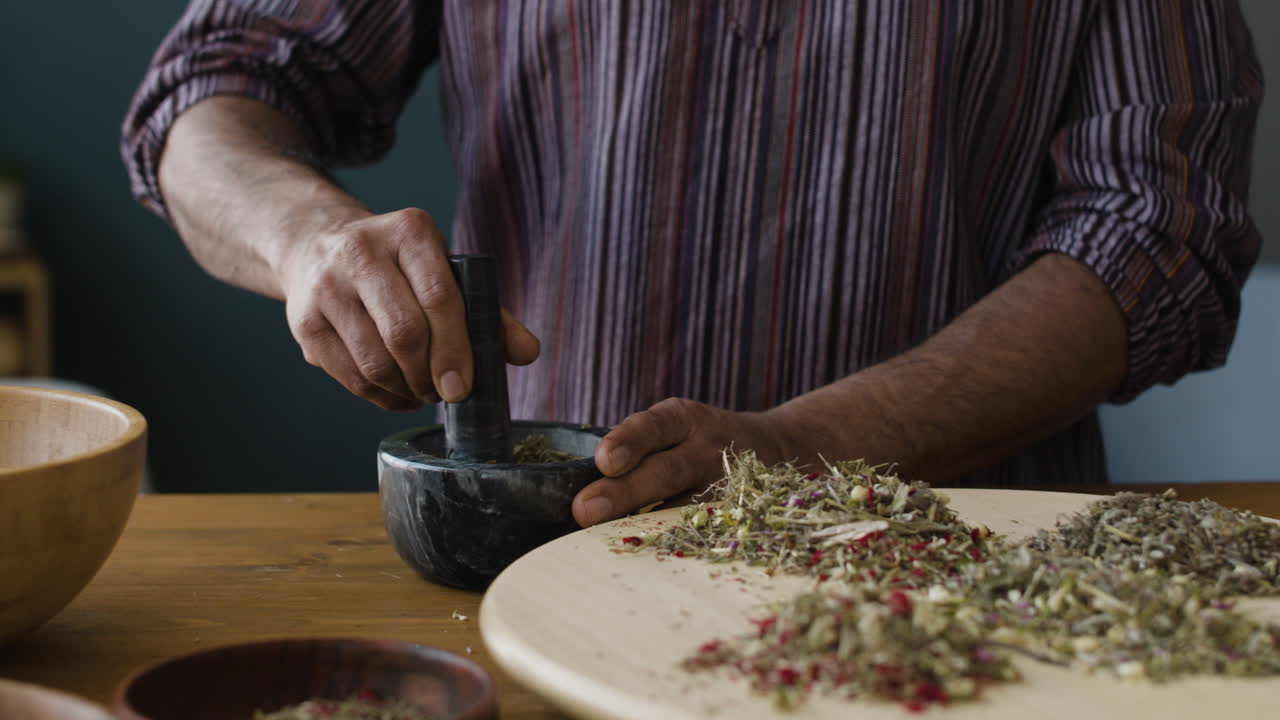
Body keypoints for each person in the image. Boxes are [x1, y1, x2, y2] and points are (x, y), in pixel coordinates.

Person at [123, 1, 1262, 527]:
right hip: (559, 562)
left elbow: (1162, 231)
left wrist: (802, 449)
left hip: (960, 576)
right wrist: (306, 235)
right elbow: (211, 92)